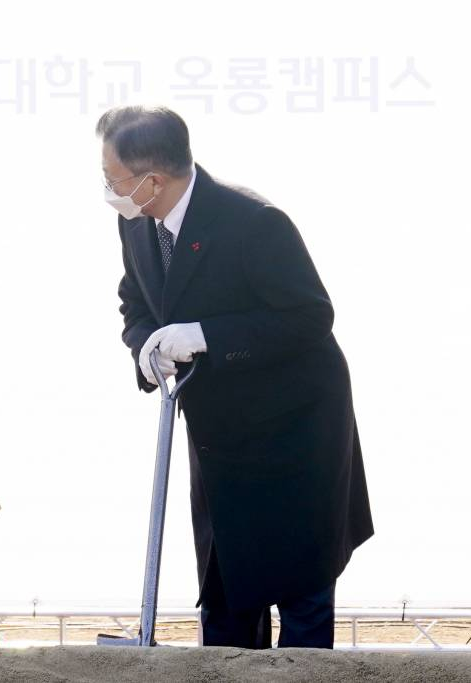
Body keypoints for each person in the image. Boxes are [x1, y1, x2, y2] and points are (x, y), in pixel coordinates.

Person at [98, 105, 373, 649]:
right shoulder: (137, 219)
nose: (107, 190)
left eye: (113, 179)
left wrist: (205, 336)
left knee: (301, 590)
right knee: (225, 592)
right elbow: (136, 304)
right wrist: (145, 351)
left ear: (152, 180)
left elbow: (310, 316)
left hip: (296, 432)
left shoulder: (253, 222)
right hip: (221, 433)